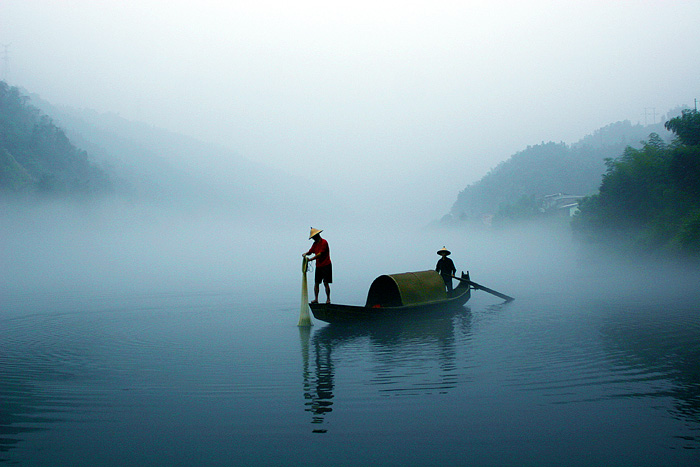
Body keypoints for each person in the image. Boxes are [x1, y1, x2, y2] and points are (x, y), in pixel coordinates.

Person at [303, 227, 332, 304]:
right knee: (316, 283)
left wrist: (311, 259)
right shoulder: (315, 244)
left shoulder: (324, 242)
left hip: (326, 264)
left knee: (326, 283)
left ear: (317, 235)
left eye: (313, 237)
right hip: (319, 266)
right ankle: (316, 299)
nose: (313, 239)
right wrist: (306, 254)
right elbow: (311, 251)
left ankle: (328, 299)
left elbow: (320, 254)